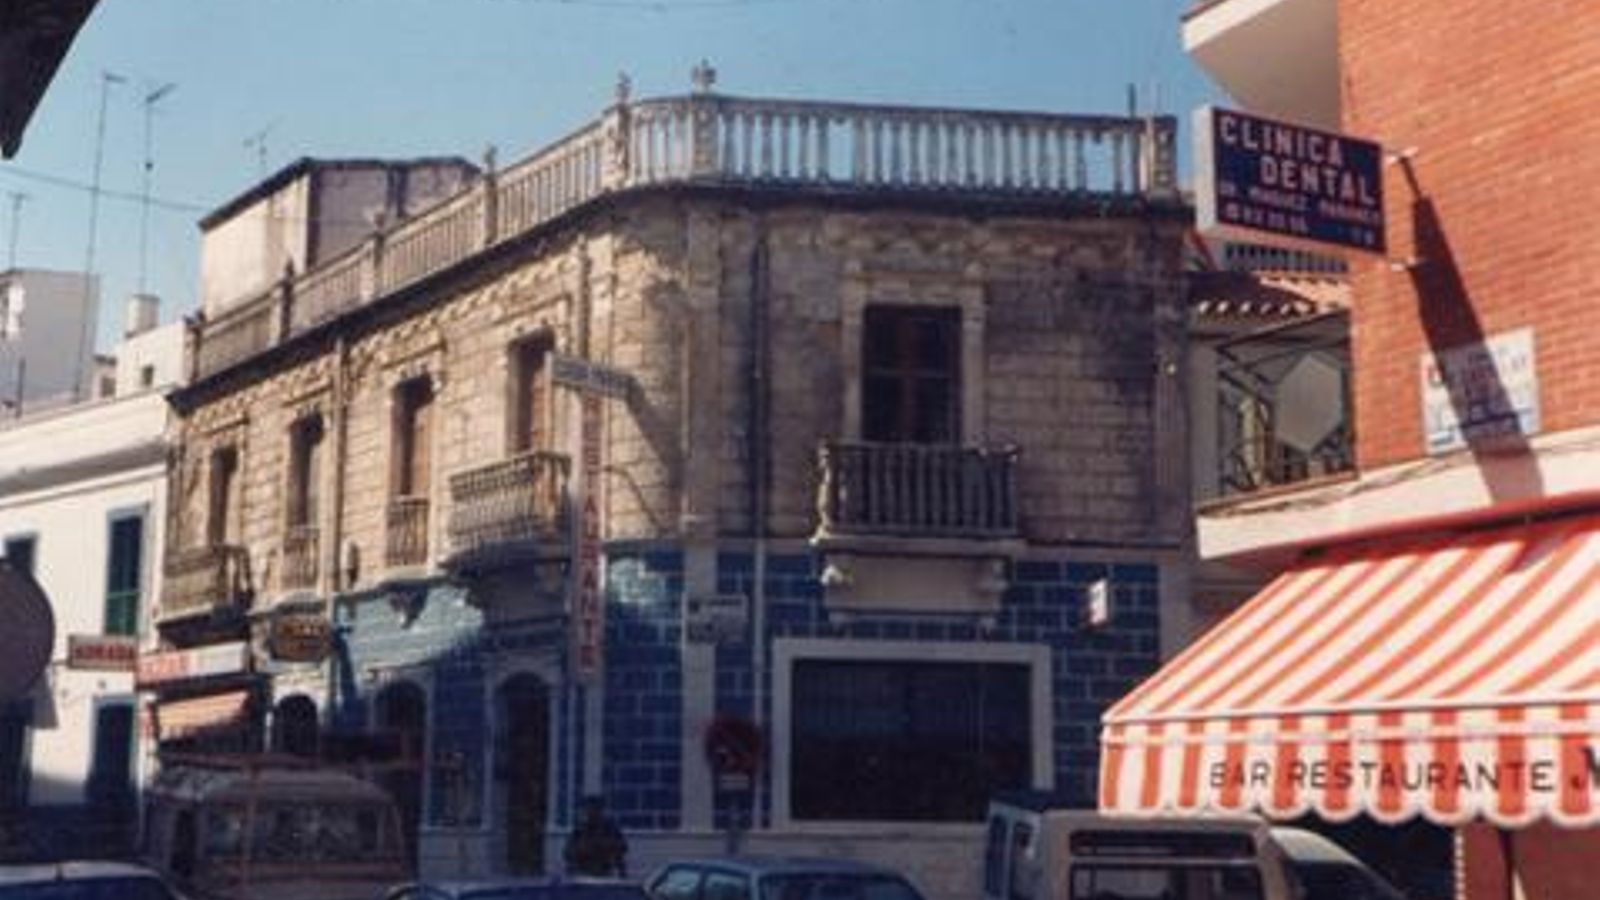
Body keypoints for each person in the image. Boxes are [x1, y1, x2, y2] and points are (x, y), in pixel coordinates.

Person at [564, 795, 628, 877]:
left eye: (595, 809)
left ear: (601, 811)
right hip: (582, 874)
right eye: (588, 809)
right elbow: (568, 853)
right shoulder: (579, 830)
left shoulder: (610, 830)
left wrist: (605, 846)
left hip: (604, 873)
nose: (591, 813)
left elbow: (622, 849)